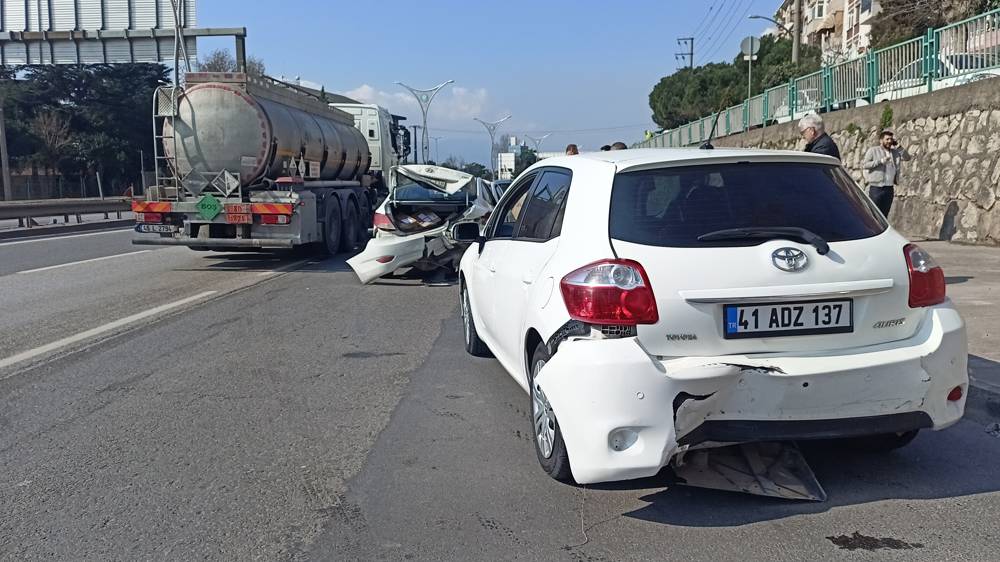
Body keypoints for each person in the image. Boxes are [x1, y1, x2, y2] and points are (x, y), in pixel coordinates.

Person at [862, 130, 911, 217]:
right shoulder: (873, 150)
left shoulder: (895, 152)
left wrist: (899, 147)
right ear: (881, 140)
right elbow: (865, 165)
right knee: (873, 215)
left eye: (891, 139)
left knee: (884, 216)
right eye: (887, 139)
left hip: (889, 188)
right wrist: (880, 161)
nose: (889, 141)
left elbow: (907, 158)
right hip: (876, 188)